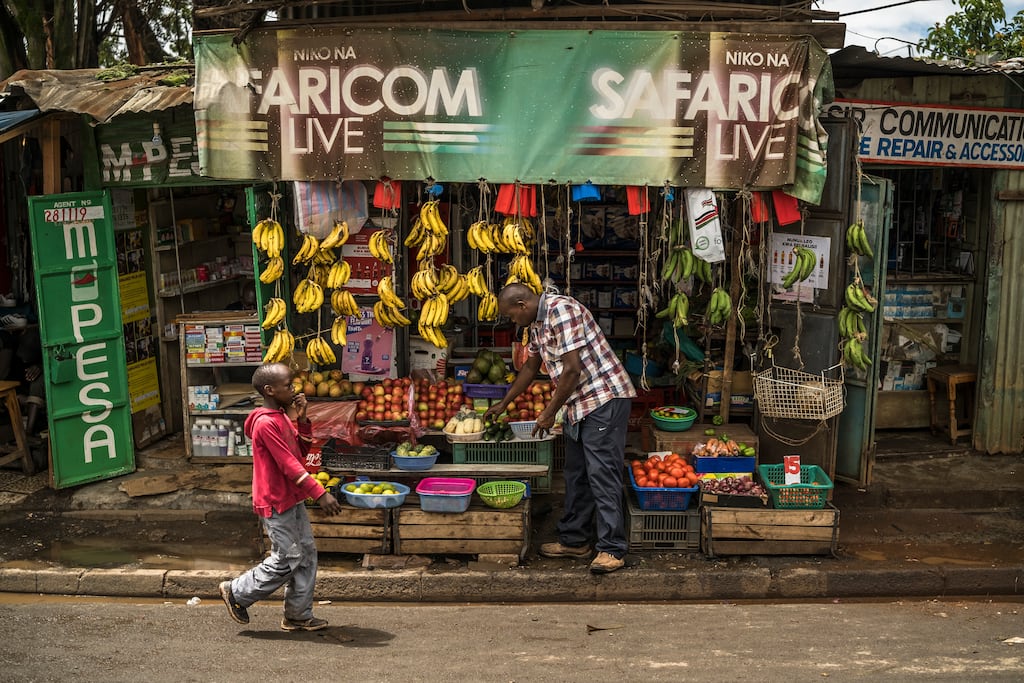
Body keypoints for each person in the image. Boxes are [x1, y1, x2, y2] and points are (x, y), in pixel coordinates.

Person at [485, 283, 636, 574]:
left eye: (511, 316)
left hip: (603, 399)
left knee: (602, 475)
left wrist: (548, 413)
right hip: (578, 405)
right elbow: (529, 368)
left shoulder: (561, 311)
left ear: (522, 306)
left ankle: (612, 549)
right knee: (577, 474)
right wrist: (504, 403)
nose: (512, 322)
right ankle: (575, 540)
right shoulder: (538, 324)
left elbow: (572, 369)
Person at [219, 362, 343, 631]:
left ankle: (298, 614)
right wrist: (320, 493)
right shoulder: (265, 424)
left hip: (292, 496)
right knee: (287, 558)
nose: (294, 388)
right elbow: (289, 464)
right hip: (276, 500)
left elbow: (298, 450)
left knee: (306, 554)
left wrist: (303, 417)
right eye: (288, 385)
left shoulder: (281, 417)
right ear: (270, 390)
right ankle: (237, 592)